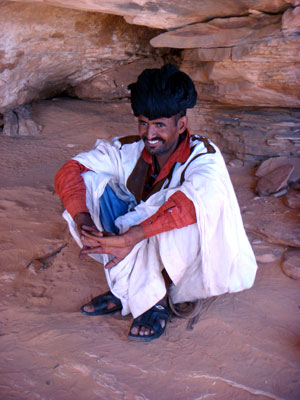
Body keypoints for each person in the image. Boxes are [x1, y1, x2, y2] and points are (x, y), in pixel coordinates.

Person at [55, 64, 257, 342]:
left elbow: (189, 205)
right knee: (90, 182)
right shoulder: (129, 149)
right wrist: (83, 220)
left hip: (188, 249)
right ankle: (126, 289)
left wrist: (133, 235)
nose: (149, 134)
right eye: (143, 122)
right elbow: (70, 169)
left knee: (179, 205)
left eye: (160, 125)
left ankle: (156, 300)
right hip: (133, 243)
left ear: (181, 125)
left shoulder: (204, 156)